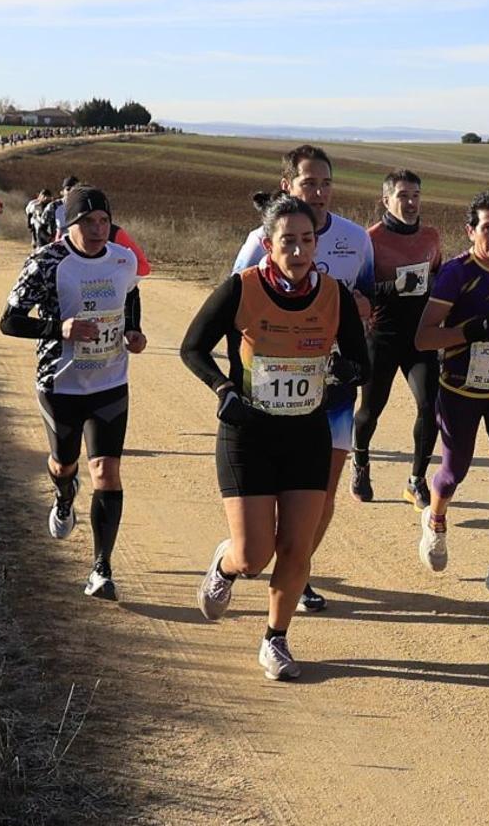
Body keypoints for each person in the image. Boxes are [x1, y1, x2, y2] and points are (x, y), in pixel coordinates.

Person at [183, 193, 367, 680]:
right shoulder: (240, 288)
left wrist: (346, 369)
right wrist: (223, 387)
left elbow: (360, 362)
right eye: (288, 241)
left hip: (307, 432)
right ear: (268, 244)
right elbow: (192, 348)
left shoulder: (333, 294)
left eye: (307, 240)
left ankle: (275, 639)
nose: (300, 251)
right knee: (254, 555)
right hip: (248, 434)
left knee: (297, 547)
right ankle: (225, 564)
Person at [232, 145, 374, 614]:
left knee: (324, 492)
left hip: (330, 392)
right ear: (287, 187)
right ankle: (256, 554)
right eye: (309, 183)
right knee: (270, 503)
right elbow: (236, 309)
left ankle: (299, 570)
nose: (319, 192)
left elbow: (369, 300)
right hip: (267, 395)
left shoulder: (356, 238)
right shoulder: (260, 241)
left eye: (326, 183)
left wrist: (359, 317)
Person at [0, 186, 148, 600]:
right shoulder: (46, 263)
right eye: (88, 222)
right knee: (65, 465)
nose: (99, 229)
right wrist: (56, 329)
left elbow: (130, 293)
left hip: (110, 383)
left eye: (104, 221)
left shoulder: (123, 259)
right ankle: (64, 496)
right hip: (60, 384)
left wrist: (133, 330)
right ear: (69, 223)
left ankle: (101, 568)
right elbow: (9, 321)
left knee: (106, 471)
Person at [414, 189, 489, 604]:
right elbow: (424, 338)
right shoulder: (456, 273)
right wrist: (467, 332)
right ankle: (436, 519)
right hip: (460, 389)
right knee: (454, 470)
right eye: (487, 228)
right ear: (471, 231)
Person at [350, 169, 442, 509]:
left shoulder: (431, 236)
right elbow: (359, 290)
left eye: (416, 195)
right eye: (403, 195)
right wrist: (393, 288)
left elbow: (438, 275)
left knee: (430, 408)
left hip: (420, 336)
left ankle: (416, 481)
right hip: (382, 335)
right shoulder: (370, 239)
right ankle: (360, 463)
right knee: (371, 410)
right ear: (386, 200)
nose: (411, 202)